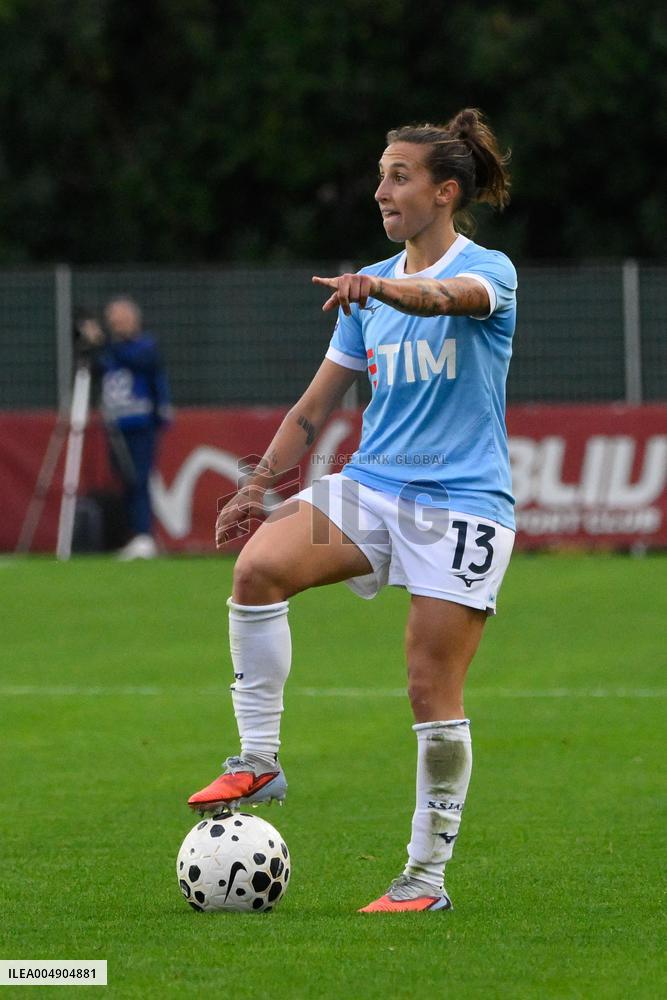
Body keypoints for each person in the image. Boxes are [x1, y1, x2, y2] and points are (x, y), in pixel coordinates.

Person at [189, 108, 517, 913]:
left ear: (444, 192)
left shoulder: (490, 270)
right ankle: (258, 760)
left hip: (462, 504)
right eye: (379, 175)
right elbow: (313, 407)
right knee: (258, 568)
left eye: (396, 176)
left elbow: (446, 298)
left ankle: (423, 878)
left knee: (427, 684)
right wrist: (259, 485)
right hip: (374, 486)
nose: (380, 190)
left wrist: (385, 288)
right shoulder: (365, 288)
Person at [80, 297, 172, 559]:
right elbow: (99, 370)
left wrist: (102, 342)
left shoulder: (145, 346)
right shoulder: (112, 351)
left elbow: (138, 361)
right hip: (116, 425)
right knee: (125, 482)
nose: (115, 323)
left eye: (119, 317)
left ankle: (144, 536)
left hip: (139, 423)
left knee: (139, 479)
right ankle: (133, 535)